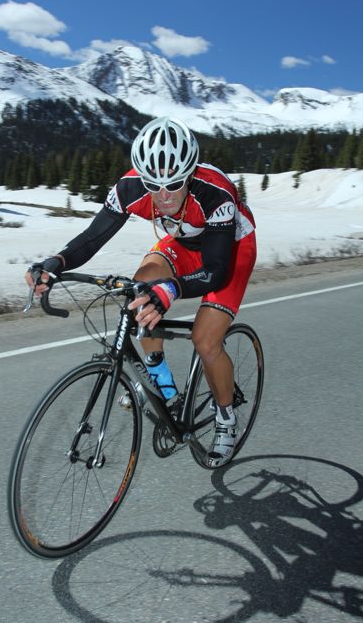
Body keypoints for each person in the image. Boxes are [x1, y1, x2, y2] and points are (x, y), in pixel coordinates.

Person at [26, 116, 256, 467]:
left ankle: (226, 418)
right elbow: (92, 238)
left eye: (174, 184)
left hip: (230, 249)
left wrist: (172, 289)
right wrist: (56, 262)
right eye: (153, 185)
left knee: (206, 340)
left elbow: (215, 271)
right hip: (182, 241)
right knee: (141, 291)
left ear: (189, 174)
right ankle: (163, 385)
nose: (163, 196)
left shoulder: (214, 192)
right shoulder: (129, 188)